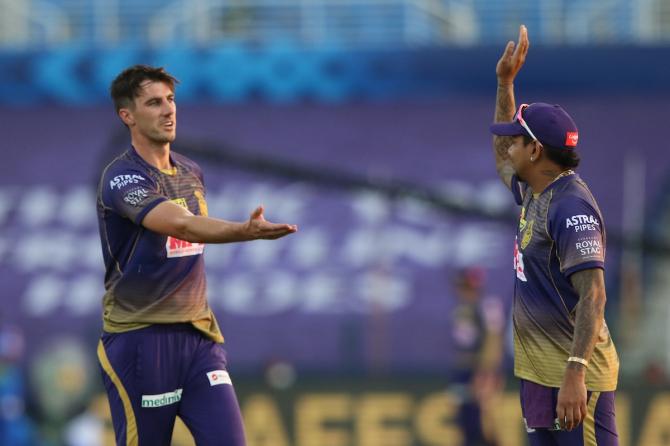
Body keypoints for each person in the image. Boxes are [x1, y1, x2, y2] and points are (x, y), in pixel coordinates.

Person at [96, 64, 297, 446]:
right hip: (141, 339)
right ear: (127, 116)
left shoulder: (190, 171)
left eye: (170, 100)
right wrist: (245, 231)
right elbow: (183, 226)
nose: (169, 110)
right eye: (154, 103)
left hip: (198, 336)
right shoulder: (121, 178)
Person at [489, 26, 619, 445]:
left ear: (536, 151)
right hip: (538, 374)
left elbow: (594, 295)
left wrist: (576, 371)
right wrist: (505, 83)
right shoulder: (536, 188)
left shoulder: (570, 206)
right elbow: (499, 152)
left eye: (518, 139)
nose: (508, 144)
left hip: (573, 377)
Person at [448, 266, 506, 446]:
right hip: (462, 371)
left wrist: (486, 372)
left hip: (479, 372)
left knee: (482, 422)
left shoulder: (486, 306)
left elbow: (493, 341)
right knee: (464, 421)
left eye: (465, 286)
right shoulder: (461, 309)